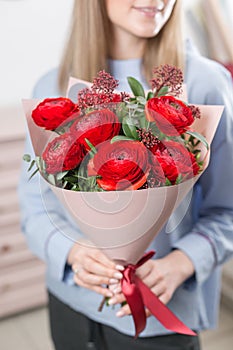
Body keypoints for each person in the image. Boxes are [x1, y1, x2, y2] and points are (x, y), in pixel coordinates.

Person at [18, 1, 233, 349]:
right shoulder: (51, 86)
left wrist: (182, 262)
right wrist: (73, 251)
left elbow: (227, 209)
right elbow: (33, 205)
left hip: (158, 317)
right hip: (70, 302)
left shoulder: (204, 83)